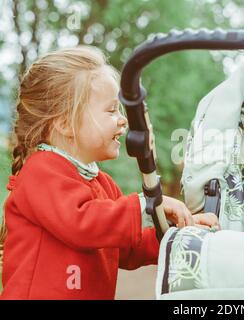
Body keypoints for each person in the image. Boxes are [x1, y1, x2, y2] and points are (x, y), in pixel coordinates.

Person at [0, 46, 218, 299]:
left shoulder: (101, 182)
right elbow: (80, 223)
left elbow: (124, 246)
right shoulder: (41, 170)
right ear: (64, 122)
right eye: (111, 110)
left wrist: (176, 234)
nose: (123, 119)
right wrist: (144, 207)